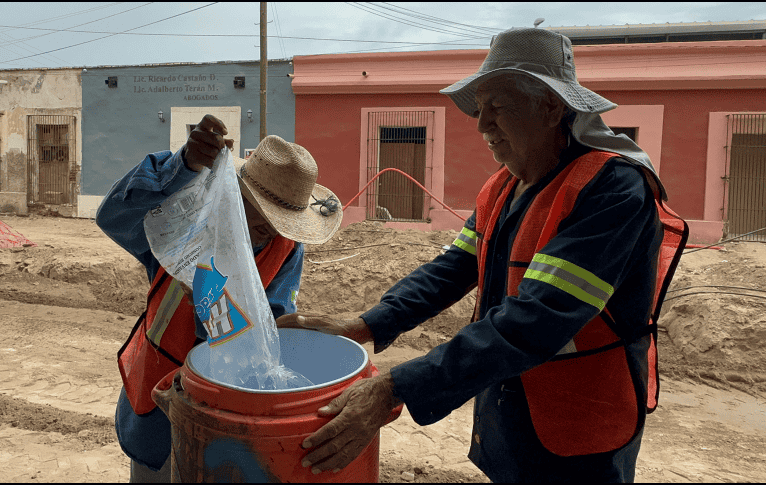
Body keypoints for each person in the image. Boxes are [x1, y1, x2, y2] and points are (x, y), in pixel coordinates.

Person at [278, 27, 687, 482]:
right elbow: (453, 268)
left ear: (552, 107)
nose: (481, 124)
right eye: (480, 107)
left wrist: (395, 387)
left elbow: (539, 318)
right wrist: (366, 324)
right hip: (512, 413)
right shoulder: (505, 185)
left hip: (580, 426)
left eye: (499, 106)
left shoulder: (612, 189)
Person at [96, 115, 343, 482]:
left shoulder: (286, 248)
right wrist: (180, 167)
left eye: (281, 224)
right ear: (235, 194)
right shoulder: (182, 227)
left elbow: (271, 325)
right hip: (160, 392)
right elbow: (114, 217)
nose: (271, 232)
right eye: (261, 219)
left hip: (232, 409)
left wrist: (292, 334)